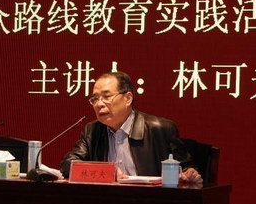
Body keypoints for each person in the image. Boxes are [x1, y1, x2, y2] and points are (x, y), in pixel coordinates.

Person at [60, 71, 203, 184]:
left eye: (106, 96)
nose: (99, 104)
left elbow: (186, 168)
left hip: (151, 202)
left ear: (128, 98)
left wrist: (190, 173)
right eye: (95, 99)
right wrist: (107, 172)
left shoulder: (160, 129)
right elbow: (68, 164)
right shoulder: (92, 131)